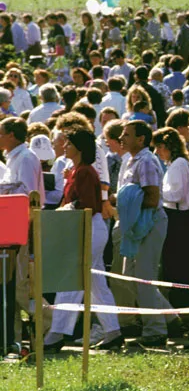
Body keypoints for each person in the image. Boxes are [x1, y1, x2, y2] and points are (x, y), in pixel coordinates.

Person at [44, 129, 122, 351]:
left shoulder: (85, 172)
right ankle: (113, 331)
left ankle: (57, 333)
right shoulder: (79, 170)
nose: (65, 147)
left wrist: (62, 211)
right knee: (97, 285)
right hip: (86, 227)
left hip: (88, 227)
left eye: (68, 143)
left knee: (71, 279)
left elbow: (87, 204)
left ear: (78, 147)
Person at [115, 120, 173, 346]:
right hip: (136, 224)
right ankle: (169, 317)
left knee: (143, 278)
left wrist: (126, 206)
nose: (122, 138)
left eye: (127, 135)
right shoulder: (129, 160)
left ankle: (156, 331)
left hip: (149, 223)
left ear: (141, 139)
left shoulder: (146, 161)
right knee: (130, 275)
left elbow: (151, 197)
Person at [152, 127, 189, 315]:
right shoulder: (175, 164)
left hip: (179, 219)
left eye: (159, 147)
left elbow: (177, 195)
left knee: (179, 266)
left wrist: (157, 192)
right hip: (175, 217)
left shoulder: (179, 164)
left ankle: (183, 310)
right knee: (173, 266)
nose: (157, 152)